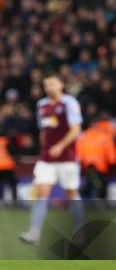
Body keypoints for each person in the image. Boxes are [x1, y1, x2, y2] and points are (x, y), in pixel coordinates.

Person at [19, 74, 83, 245]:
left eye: (52, 84)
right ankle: (34, 233)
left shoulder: (70, 103)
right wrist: (44, 149)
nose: (49, 88)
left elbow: (75, 130)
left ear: (61, 85)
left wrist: (61, 146)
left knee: (72, 194)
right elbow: (44, 131)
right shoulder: (42, 105)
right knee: (41, 193)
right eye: (46, 85)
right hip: (47, 159)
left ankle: (79, 230)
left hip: (67, 158)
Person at [76, 116, 115, 199]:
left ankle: (87, 200)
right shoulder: (105, 136)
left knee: (92, 183)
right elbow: (111, 156)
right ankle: (93, 202)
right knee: (97, 185)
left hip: (87, 166)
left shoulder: (83, 136)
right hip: (100, 167)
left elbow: (78, 154)